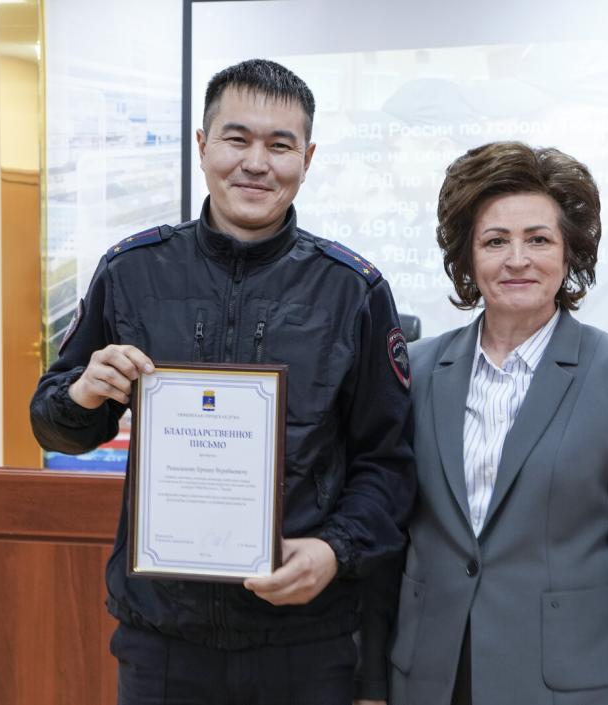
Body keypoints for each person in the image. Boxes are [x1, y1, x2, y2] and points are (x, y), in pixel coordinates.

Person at [29, 59, 415, 705]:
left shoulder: (354, 290)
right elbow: (54, 426)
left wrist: (334, 550)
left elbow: (388, 463)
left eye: (280, 145)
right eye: (237, 139)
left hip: (305, 641)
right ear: (203, 145)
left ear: (307, 159)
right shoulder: (131, 271)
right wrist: (82, 393)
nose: (256, 163)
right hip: (162, 639)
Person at [388, 141, 608, 705]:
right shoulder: (419, 369)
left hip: (565, 685)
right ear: (466, 258)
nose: (517, 259)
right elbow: (391, 539)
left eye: (538, 239)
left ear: (569, 252)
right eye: (495, 241)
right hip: (430, 677)